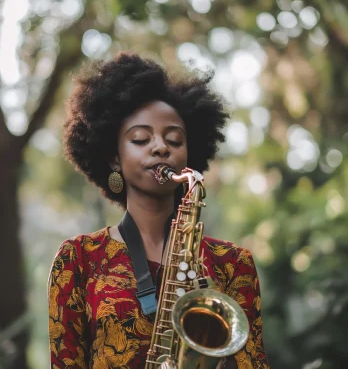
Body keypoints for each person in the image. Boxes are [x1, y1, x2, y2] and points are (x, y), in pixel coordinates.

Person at [48, 52, 269, 369]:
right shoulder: (77, 259)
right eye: (140, 138)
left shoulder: (234, 264)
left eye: (174, 140)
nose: (161, 147)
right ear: (113, 158)